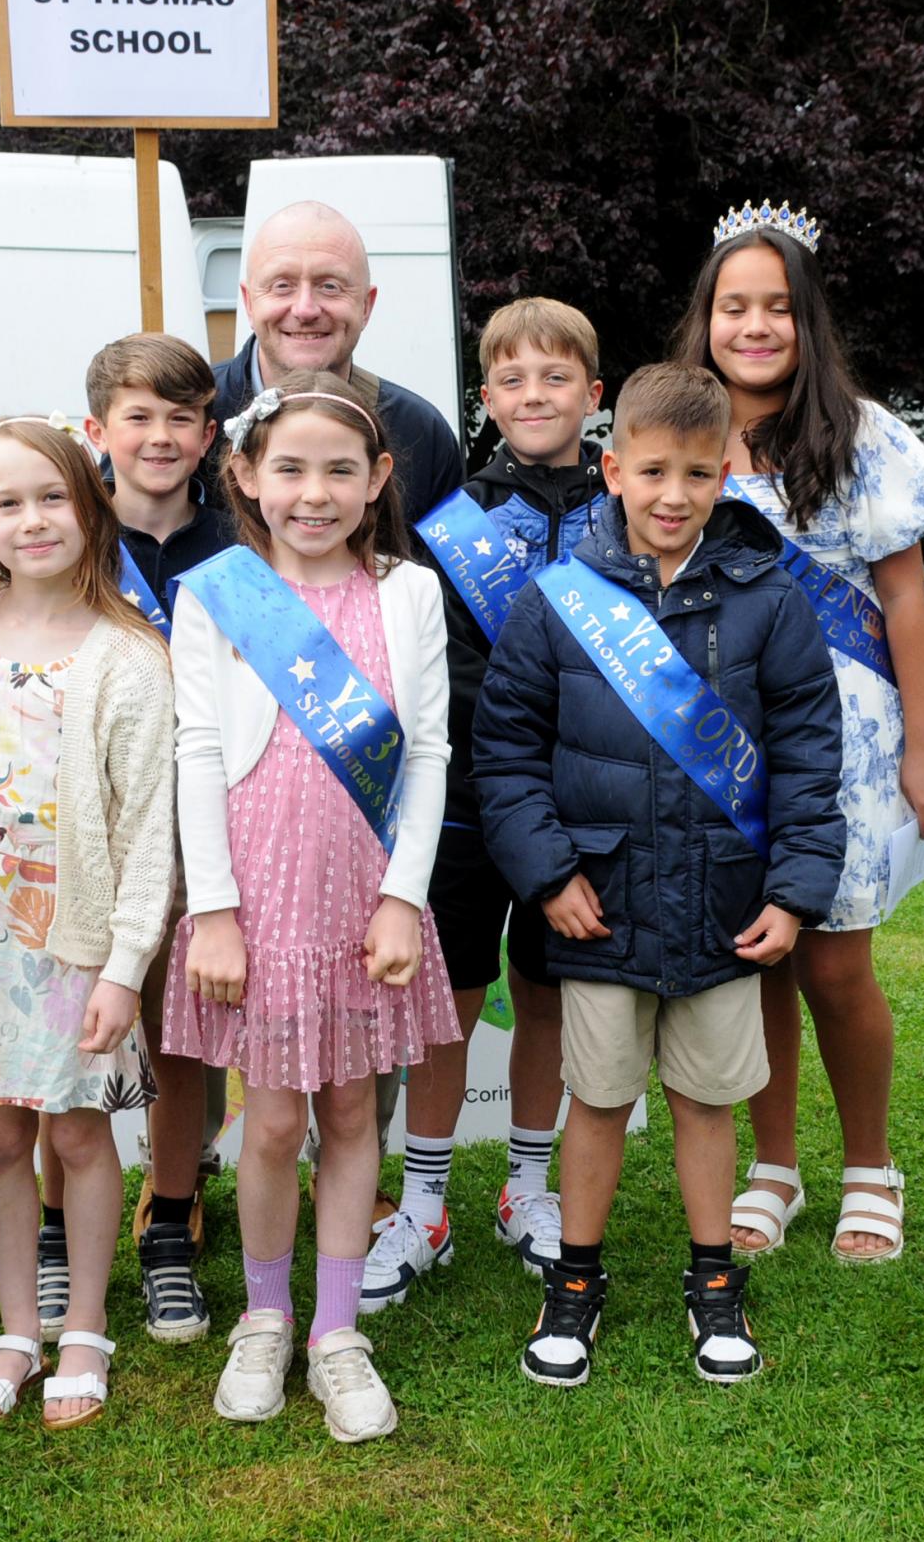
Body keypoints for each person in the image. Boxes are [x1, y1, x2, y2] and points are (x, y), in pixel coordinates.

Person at [472, 362, 844, 1388]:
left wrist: (795, 888)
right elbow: (506, 754)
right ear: (612, 469)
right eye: (651, 471)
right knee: (596, 1098)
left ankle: (714, 1280)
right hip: (598, 902)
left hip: (726, 902)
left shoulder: (771, 601)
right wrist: (548, 876)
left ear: (725, 471)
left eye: (695, 472)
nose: (673, 494)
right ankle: (576, 1282)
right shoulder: (557, 606)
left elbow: (813, 757)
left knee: (705, 1101)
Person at [162, 371, 461, 1443]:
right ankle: (266, 1314)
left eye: (342, 469)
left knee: (346, 1113)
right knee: (272, 1116)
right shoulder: (219, 591)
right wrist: (217, 912)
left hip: (362, 899)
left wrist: (400, 899)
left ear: (380, 477)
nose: (315, 492)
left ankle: (337, 1329)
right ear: (244, 473)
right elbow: (198, 751)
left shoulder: (407, 593)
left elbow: (427, 753)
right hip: (260, 894)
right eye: (289, 468)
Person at [672, 201, 924, 1263]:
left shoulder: (861, 432)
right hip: (714, 733)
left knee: (836, 967)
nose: (755, 325)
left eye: (778, 307)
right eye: (734, 305)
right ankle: (776, 1164)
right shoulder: (681, 427)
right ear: (706, 316)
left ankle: (873, 1166)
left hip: (844, 735)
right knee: (757, 961)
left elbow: (907, 603)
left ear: (809, 319)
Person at [363, 297, 604, 1308]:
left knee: (546, 993)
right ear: (487, 395)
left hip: (586, 798)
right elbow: (437, 666)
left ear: (594, 395)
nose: (535, 395)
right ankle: (423, 1205)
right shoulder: (448, 526)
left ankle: (528, 1190)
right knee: (449, 1002)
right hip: (467, 796)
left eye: (557, 378)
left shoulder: (627, 510)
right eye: (513, 378)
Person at [0, 416, 176, 1429]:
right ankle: (16, 1329)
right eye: (8, 503)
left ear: (89, 504)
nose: (33, 519)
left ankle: (82, 1325)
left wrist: (125, 965)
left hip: (70, 934)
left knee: (76, 1129)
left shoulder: (126, 655)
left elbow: (149, 828)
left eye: (52, 496)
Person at [20, 334, 235, 1350]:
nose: (159, 437)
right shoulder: (66, 536)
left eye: (181, 418)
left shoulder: (244, 551)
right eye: (136, 418)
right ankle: (58, 1222)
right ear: (97, 431)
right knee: (81, 1026)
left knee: (180, 1026)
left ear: (208, 432)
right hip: (81, 833)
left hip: (202, 821)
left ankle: (173, 1220)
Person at [213, 200, 466, 522]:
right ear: (249, 303)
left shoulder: (420, 434)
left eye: (330, 286)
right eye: (282, 286)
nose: (305, 309)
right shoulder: (191, 419)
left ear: (366, 306)